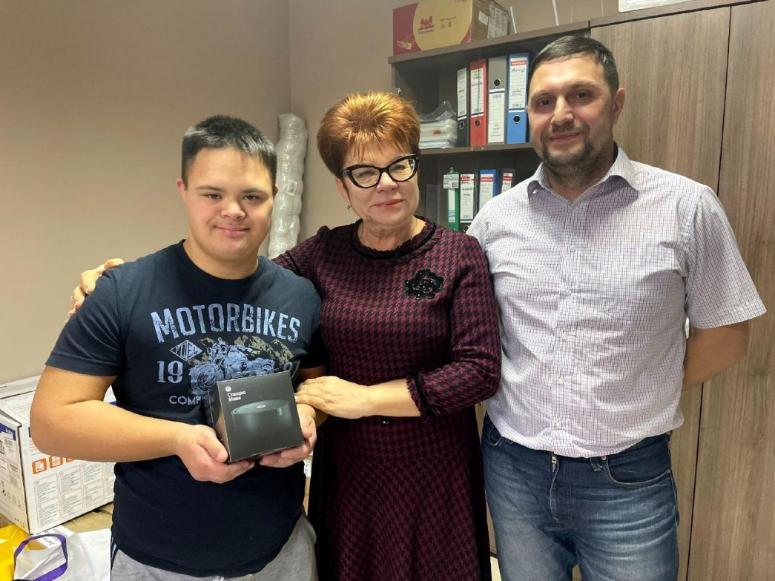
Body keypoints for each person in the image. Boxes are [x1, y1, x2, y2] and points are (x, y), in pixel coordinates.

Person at [69, 92, 501, 581]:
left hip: (433, 467)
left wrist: (364, 399)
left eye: (400, 165)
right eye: (364, 172)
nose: (387, 184)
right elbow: (238, 278)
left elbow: (478, 372)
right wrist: (122, 280)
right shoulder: (322, 255)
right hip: (350, 470)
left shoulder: (458, 255)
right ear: (342, 187)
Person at [466, 35, 767, 581]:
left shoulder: (686, 207)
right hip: (513, 470)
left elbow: (727, 335)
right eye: (543, 101)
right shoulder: (494, 220)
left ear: (617, 103)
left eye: (581, 95)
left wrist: (642, 387)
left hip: (627, 478)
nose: (561, 114)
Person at [32, 115, 325, 580]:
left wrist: (307, 415)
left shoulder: (301, 296)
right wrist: (177, 439)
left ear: (274, 196)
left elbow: (316, 388)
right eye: (213, 194)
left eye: (252, 196)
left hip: (280, 551)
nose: (233, 210)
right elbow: (52, 422)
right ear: (183, 190)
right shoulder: (123, 292)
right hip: (156, 558)